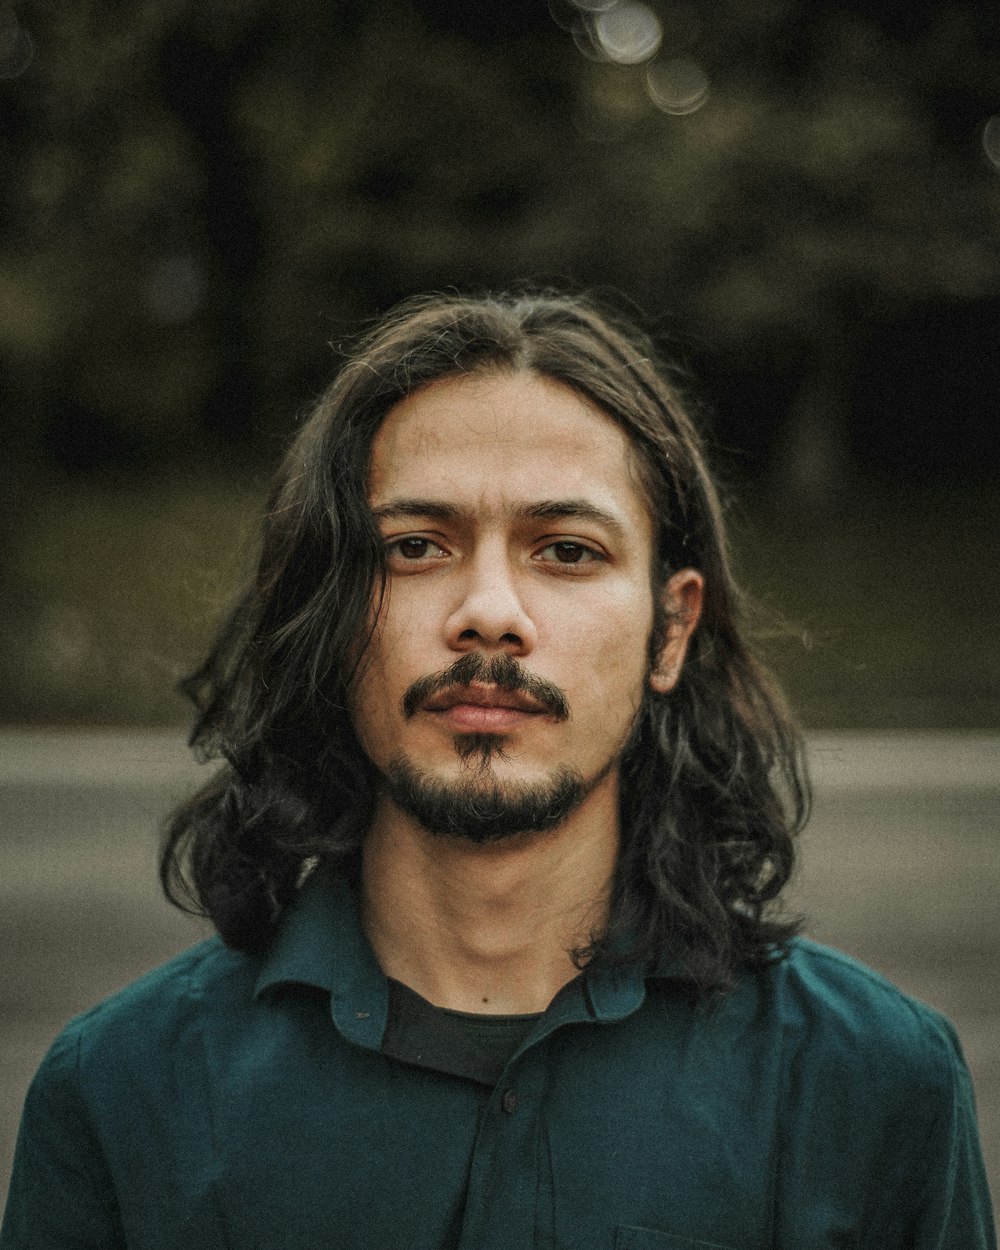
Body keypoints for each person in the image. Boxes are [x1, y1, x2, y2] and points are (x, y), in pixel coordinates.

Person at [2, 291, 994, 1249]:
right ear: (330, 610)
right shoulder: (119, 1093)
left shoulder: (873, 1086)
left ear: (671, 628)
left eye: (564, 549)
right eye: (415, 546)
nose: (488, 610)